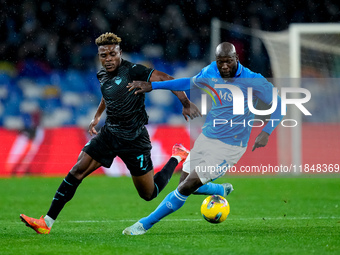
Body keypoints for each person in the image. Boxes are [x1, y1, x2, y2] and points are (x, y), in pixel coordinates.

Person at [20, 32, 203, 234]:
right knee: (77, 171)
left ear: (120, 53)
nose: (108, 59)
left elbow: (167, 78)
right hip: (109, 135)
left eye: (112, 54)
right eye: (103, 55)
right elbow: (108, 95)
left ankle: (177, 156)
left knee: (149, 194)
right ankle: (47, 222)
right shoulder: (102, 74)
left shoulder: (133, 70)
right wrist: (97, 116)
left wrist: (185, 103)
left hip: (135, 140)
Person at [122, 42, 284, 235]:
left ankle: (143, 224)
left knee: (187, 186)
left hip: (230, 146)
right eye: (220, 62)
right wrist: (153, 86)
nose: (224, 66)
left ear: (236, 59)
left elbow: (280, 105)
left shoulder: (253, 80)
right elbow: (188, 83)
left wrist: (266, 131)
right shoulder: (210, 72)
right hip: (207, 138)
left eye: (228, 62)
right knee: (184, 184)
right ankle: (219, 190)